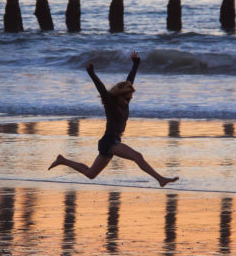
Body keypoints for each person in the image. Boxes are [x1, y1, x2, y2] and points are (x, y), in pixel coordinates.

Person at [49, 52, 179, 187]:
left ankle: (62, 160)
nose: (127, 101)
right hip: (109, 142)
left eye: (130, 99)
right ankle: (160, 179)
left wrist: (135, 64)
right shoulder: (111, 105)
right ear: (118, 96)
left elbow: (129, 81)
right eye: (125, 98)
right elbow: (102, 90)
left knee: (90, 174)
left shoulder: (124, 102)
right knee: (137, 156)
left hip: (114, 142)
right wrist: (92, 74)